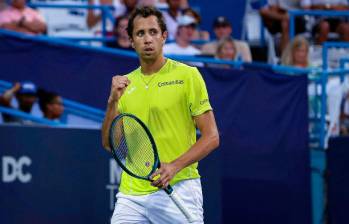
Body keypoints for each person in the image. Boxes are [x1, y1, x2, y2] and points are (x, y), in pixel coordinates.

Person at [101, 6, 219, 223]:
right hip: (132, 194)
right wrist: (112, 102)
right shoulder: (124, 85)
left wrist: (173, 167)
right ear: (131, 40)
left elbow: (212, 137)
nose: (147, 39)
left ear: (164, 36)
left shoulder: (188, 76)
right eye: (140, 33)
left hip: (179, 186)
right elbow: (112, 145)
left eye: (153, 32)